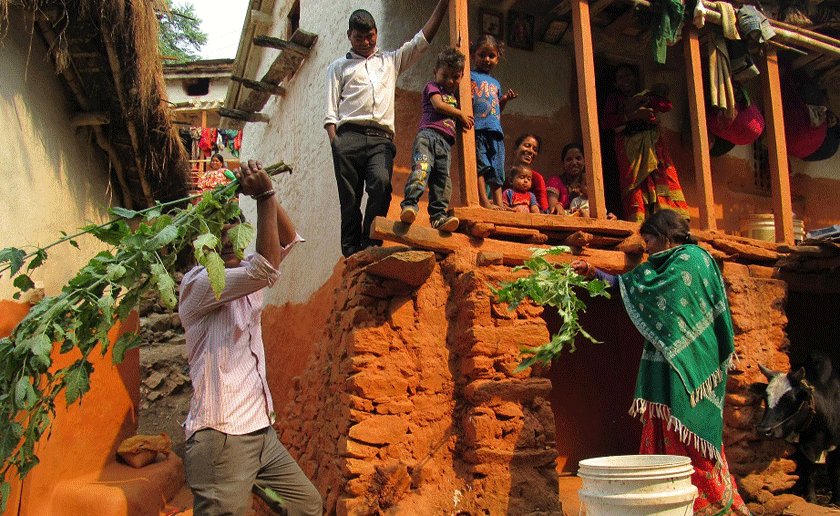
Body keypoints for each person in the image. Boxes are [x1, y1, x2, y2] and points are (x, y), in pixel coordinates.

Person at [571, 210, 750, 516]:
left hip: (694, 361)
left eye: (650, 238)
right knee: (666, 424)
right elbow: (633, 287)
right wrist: (593, 272)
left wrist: (608, 275)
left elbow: (659, 295)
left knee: (690, 425)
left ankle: (709, 503)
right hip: (666, 360)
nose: (647, 246)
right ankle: (664, 501)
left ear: (666, 234)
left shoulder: (692, 259)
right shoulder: (659, 268)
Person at [179, 160, 322, 516]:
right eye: (216, 233)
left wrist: (266, 191)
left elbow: (287, 239)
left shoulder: (245, 275)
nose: (227, 239)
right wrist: (265, 195)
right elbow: (267, 267)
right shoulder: (199, 284)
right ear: (200, 242)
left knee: (307, 505)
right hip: (221, 439)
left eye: (232, 228)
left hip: (260, 431)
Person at [325, 2, 450, 257]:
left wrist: (443, 4)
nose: (366, 42)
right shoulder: (338, 67)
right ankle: (351, 252)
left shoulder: (390, 61)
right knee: (349, 199)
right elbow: (330, 111)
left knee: (381, 186)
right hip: (347, 138)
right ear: (350, 36)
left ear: (376, 34)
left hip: (381, 139)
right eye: (360, 37)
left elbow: (421, 41)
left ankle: (371, 242)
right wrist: (335, 142)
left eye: (370, 36)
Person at [601, 64, 689, 223]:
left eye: (628, 75)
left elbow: (666, 106)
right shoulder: (615, 99)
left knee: (659, 176)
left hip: (652, 144)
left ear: (635, 78)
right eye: (620, 78)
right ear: (616, 84)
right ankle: (639, 220)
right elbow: (606, 122)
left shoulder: (646, 95)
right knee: (635, 183)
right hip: (630, 147)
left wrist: (657, 94)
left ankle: (665, 219)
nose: (625, 80)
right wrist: (633, 115)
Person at [400, 48, 473, 232]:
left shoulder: (457, 96)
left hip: (445, 144)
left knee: (442, 181)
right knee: (421, 171)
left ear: (462, 75)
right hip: (427, 137)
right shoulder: (433, 87)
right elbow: (438, 105)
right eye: (445, 75)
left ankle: (438, 217)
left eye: (455, 77)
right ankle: (409, 205)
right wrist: (459, 114)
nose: (449, 81)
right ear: (435, 72)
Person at [470, 34, 518, 209]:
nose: (486, 60)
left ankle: (499, 203)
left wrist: (504, 99)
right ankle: (484, 201)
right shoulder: (469, 75)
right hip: (478, 129)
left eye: (491, 56)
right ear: (474, 54)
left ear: (498, 57)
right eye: (482, 55)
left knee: (496, 168)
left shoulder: (496, 83)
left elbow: (497, 109)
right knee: (481, 165)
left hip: (495, 130)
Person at [508, 134, 548, 212]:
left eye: (535, 149)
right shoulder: (502, 174)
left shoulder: (537, 178)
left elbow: (544, 208)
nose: (530, 151)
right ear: (515, 149)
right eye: (527, 146)